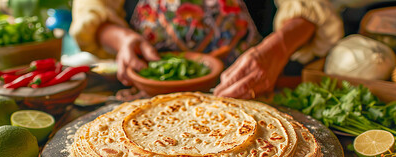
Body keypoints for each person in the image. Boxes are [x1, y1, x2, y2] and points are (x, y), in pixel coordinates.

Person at [70, 0, 343, 99]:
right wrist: (122, 40)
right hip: (145, 91)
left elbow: (312, 11)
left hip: (245, 88)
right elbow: (93, 13)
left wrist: (277, 49)